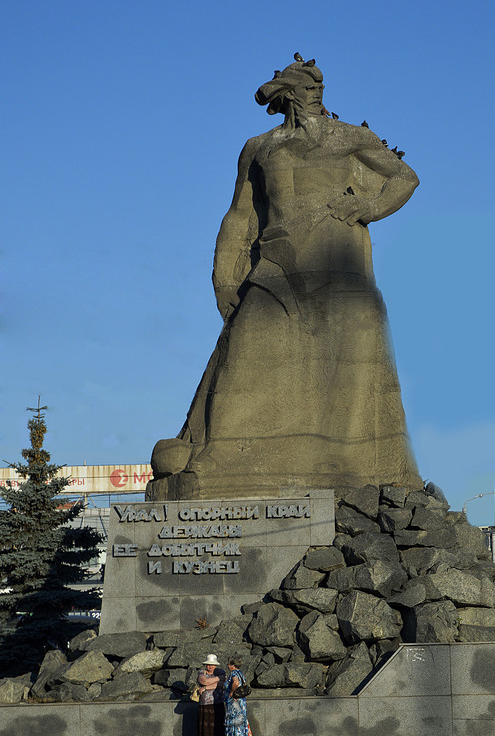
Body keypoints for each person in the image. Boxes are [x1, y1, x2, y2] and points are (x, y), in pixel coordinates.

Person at [147, 55, 421, 501]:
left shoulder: (351, 137)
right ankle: (219, 459)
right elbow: (239, 215)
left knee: (343, 369)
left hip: (336, 263)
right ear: (288, 93)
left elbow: (404, 177)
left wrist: (368, 209)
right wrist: (222, 277)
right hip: (275, 263)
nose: (317, 91)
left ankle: (346, 467)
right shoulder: (259, 147)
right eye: (308, 86)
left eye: (320, 87)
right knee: (243, 354)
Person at [196, 653, 226, 736]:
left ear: (215, 665)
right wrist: (217, 679)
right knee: (204, 726)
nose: (210, 666)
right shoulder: (201, 672)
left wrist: (205, 687)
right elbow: (203, 681)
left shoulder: (221, 672)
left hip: (218, 702)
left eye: (212, 664)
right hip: (204, 702)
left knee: (218, 725)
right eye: (208, 664)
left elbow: (222, 684)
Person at [223, 655, 249, 736]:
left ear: (233, 665)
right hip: (240, 702)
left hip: (235, 703)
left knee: (237, 723)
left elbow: (236, 682)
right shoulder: (240, 673)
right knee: (238, 723)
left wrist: (232, 692)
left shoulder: (234, 673)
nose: (228, 666)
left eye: (229, 664)